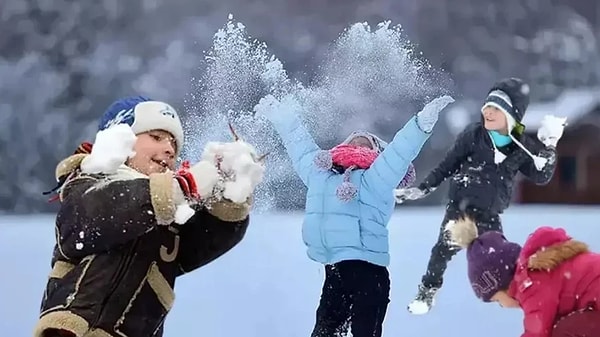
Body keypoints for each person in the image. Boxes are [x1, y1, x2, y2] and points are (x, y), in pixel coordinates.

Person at [34, 96, 263, 337]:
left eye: (174, 144)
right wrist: (182, 187)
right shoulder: (87, 183)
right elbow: (103, 213)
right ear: (119, 139)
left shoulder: (166, 214)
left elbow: (203, 241)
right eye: (156, 137)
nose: (169, 149)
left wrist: (229, 196)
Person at [255, 92, 455, 337]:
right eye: (354, 142)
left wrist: (422, 122)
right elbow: (299, 145)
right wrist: (282, 116)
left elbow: (400, 152)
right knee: (324, 333)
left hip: (369, 275)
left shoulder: (377, 177)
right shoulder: (321, 175)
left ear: (378, 153)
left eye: (367, 144)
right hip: (334, 272)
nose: (359, 146)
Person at [394, 78, 567, 314]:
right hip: (460, 209)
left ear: (511, 116)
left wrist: (550, 148)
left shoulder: (521, 147)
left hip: (490, 213)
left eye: (495, 108)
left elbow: (541, 176)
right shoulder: (474, 135)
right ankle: (427, 291)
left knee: (500, 260)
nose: (487, 111)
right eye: (487, 106)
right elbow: (448, 165)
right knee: (441, 250)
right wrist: (423, 188)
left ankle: (520, 290)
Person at [447, 216, 600, 337]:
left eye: (496, 300)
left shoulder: (531, 283)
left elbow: (537, 332)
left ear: (503, 284)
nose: (502, 306)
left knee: (564, 331)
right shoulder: (538, 275)